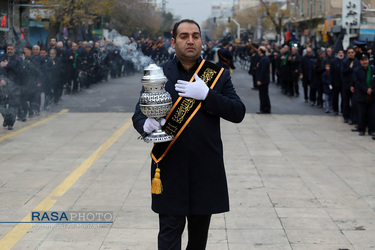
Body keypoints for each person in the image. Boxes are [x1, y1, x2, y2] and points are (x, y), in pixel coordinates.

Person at [132, 19, 246, 250]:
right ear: (173, 42)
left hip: (205, 168)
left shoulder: (217, 74)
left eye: (195, 36)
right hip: (169, 166)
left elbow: (238, 112)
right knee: (168, 234)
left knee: (198, 239)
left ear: (202, 41)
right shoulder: (158, 73)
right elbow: (139, 114)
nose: (190, 41)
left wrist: (208, 95)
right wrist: (145, 125)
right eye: (184, 36)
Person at [352, 53, 375, 136]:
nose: (365, 62)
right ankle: (361, 129)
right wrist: (366, 89)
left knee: (371, 114)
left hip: (372, 95)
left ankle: (371, 130)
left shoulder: (373, 69)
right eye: (363, 60)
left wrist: (371, 89)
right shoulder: (356, 70)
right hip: (361, 95)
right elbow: (357, 82)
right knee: (361, 114)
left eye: (366, 60)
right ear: (360, 61)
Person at [342, 47, 360, 124]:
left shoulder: (357, 62)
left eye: (352, 52)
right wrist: (349, 67)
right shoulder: (344, 62)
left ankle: (353, 118)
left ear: (354, 53)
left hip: (355, 86)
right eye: (349, 52)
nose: (351, 54)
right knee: (346, 103)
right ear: (347, 54)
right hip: (346, 85)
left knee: (354, 103)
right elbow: (343, 72)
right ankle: (346, 117)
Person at [256, 46, 271, 114]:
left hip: (263, 80)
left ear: (260, 51)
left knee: (263, 95)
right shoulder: (264, 58)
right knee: (264, 94)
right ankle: (266, 108)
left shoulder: (264, 59)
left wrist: (260, 80)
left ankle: (264, 108)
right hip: (265, 80)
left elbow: (263, 71)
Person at [330, 49, 345, 115]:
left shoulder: (345, 61)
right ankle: (335, 110)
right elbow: (331, 73)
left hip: (343, 83)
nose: (341, 54)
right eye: (340, 53)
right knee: (335, 97)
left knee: (344, 97)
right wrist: (330, 82)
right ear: (337, 54)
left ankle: (342, 110)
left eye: (342, 53)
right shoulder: (333, 62)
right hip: (335, 82)